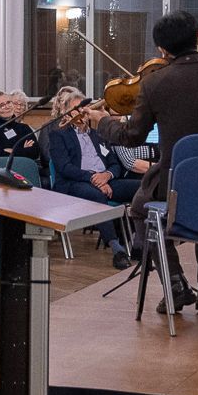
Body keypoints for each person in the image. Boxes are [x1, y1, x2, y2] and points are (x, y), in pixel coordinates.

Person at [76, 11, 198, 315]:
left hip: (175, 183)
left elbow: (130, 137)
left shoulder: (155, 84)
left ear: (163, 51)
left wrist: (102, 122)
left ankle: (176, 283)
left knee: (141, 208)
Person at [43, 87, 144, 269]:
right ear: (67, 112)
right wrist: (93, 179)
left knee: (143, 187)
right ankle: (117, 249)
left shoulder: (99, 134)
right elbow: (64, 168)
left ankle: (140, 243)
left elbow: (115, 164)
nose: (80, 112)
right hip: (74, 184)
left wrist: (106, 176)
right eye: (75, 108)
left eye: (83, 108)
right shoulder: (58, 135)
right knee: (97, 196)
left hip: (106, 181)